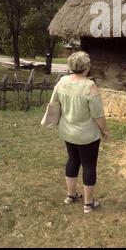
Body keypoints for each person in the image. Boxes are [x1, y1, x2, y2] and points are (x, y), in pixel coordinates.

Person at [49, 51, 110, 213]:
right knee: (89, 166)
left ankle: (70, 195)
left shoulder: (62, 81)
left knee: (72, 161)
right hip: (87, 135)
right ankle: (88, 204)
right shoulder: (89, 86)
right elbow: (98, 114)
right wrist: (105, 130)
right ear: (87, 67)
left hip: (67, 132)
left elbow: (53, 104)